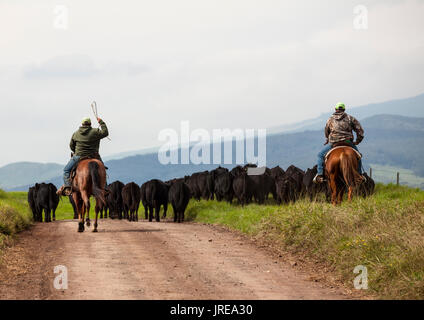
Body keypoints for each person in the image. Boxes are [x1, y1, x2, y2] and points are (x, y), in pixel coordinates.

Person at [313, 102, 365, 184]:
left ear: (335, 109)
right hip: (348, 142)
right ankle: (359, 174)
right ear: (344, 109)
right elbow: (360, 131)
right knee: (358, 156)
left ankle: (320, 175)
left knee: (320, 155)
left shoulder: (330, 119)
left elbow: (327, 131)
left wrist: (327, 139)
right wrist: (357, 141)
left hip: (334, 143)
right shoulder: (350, 118)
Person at [57, 117, 109, 196]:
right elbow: (105, 132)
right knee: (103, 170)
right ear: (90, 124)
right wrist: (101, 122)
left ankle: (68, 187)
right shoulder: (95, 131)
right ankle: (105, 187)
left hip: (79, 157)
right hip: (94, 156)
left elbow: (71, 146)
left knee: (66, 171)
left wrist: (76, 151)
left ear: (82, 124)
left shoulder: (76, 133)